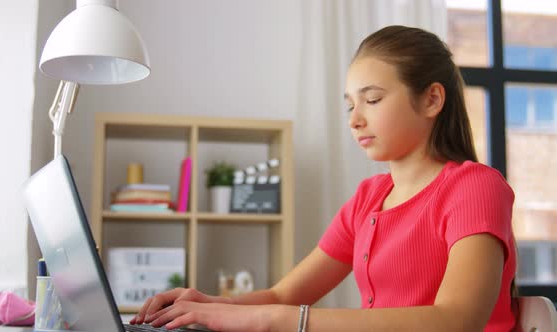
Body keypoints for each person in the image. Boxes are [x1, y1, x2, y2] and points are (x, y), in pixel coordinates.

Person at [129, 25, 517, 332]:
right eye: (349, 104)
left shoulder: (475, 188)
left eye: (373, 99)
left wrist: (280, 321)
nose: (354, 119)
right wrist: (209, 305)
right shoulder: (370, 197)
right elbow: (285, 294)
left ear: (432, 99)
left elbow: (456, 321)